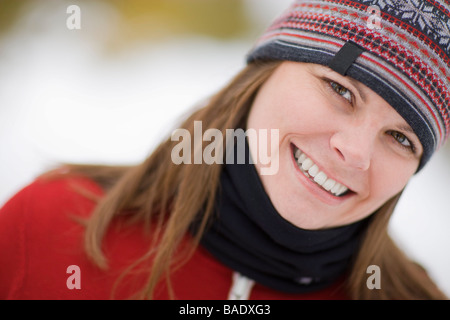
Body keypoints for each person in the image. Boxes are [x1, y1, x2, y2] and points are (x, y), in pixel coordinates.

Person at [1, 0, 449, 300]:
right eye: (340, 89)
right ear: (266, 71)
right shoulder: (44, 227)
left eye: (402, 138)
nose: (354, 152)